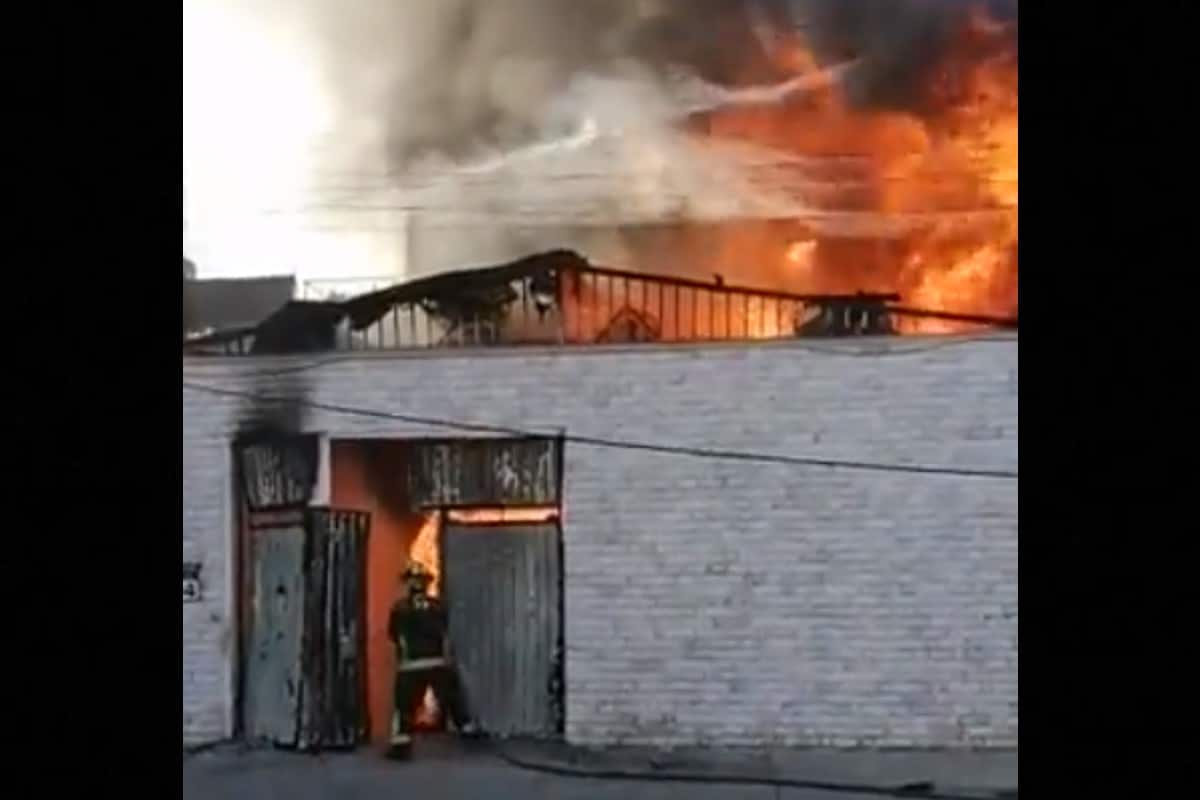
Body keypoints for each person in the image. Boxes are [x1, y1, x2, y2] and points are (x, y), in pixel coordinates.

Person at [387, 561, 477, 747]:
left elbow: (394, 635)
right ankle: (468, 730)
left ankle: (401, 741)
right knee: (452, 697)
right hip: (437, 661)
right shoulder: (438, 606)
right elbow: (445, 632)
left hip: (410, 664)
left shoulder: (400, 608)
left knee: (405, 703)